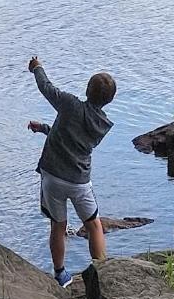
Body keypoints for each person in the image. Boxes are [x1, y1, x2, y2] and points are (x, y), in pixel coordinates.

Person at [27, 56, 116, 287]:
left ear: (87, 89)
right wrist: (46, 128)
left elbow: (47, 88)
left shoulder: (70, 104)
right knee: (94, 225)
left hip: (53, 177)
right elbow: (75, 140)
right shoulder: (103, 125)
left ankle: (60, 274)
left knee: (58, 226)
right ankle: (101, 272)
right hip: (79, 182)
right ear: (109, 100)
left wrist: (37, 68)